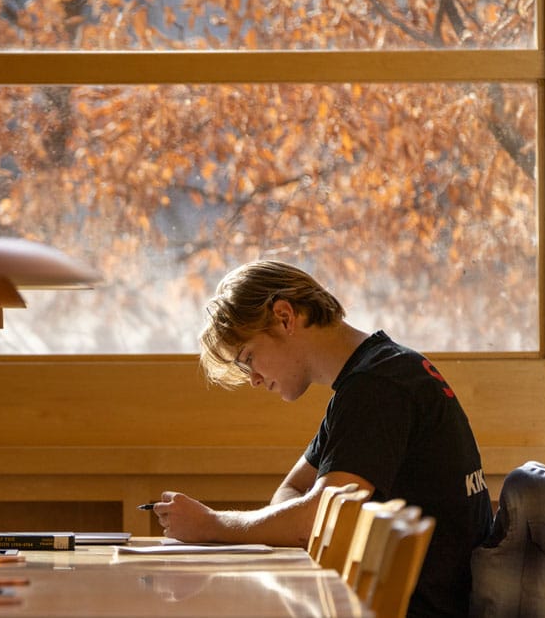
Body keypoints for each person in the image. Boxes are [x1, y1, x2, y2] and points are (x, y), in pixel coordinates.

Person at [152, 260, 492, 617]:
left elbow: (310, 520)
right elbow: (290, 494)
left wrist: (212, 525)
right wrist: (300, 517)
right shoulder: (371, 377)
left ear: (284, 317)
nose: (253, 379)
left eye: (249, 357)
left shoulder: (378, 387)